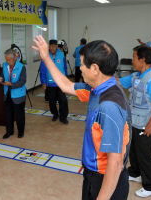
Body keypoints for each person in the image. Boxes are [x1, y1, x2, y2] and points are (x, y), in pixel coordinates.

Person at [33, 35, 131, 200]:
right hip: (92, 174)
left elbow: (115, 164)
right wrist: (46, 57)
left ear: (94, 68)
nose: (80, 68)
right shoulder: (98, 88)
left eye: (82, 64)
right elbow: (66, 85)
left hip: (106, 181)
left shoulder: (108, 106)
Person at [118, 45, 151, 198]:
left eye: (134, 57)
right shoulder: (136, 77)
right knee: (133, 151)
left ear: (142, 59)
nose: (132, 61)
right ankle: (136, 173)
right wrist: (102, 77)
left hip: (146, 126)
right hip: (134, 123)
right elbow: (118, 82)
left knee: (145, 156)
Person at [0, 48, 26, 139]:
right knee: (8, 114)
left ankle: (21, 132)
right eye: (6, 59)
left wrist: (11, 84)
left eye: (9, 59)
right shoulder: (5, 65)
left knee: (19, 115)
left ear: (15, 59)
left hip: (18, 95)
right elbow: (2, 75)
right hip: (7, 93)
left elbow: (22, 81)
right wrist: (0, 78)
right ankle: (9, 131)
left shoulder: (21, 67)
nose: (7, 61)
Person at [40, 39, 69, 124]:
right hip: (50, 83)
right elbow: (42, 70)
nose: (52, 48)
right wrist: (43, 82)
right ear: (49, 46)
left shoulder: (61, 54)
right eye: (51, 46)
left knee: (63, 100)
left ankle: (63, 117)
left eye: (54, 46)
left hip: (61, 83)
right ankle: (55, 114)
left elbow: (65, 68)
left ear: (57, 46)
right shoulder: (45, 56)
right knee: (52, 101)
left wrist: (66, 79)